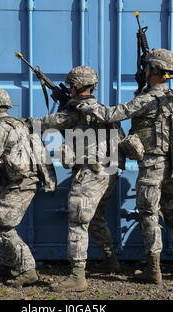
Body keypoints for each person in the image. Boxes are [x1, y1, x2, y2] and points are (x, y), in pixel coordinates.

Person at [77, 49, 173, 285]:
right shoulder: (171, 96)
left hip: (153, 165)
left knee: (148, 213)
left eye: (147, 67)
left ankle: (153, 269)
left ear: (155, 70)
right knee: (172, 210)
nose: (144, 70)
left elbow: (113, 114)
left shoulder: (147, 98)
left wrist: (87, 107)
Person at [29, 66, 125, 292]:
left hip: (91, 171)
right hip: (109, 171)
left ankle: (77, 277)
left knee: (78, 220)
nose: (69, 88)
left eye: (71, 85)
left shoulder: (76, 111)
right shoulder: (102, 109)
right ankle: (111, 261)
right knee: (96, 218)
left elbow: (46, 123)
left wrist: (23, 123)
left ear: (76, 86)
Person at [0, 87, 56, 288]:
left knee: (3, 225)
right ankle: (6, 263)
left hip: (22, 182)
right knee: (1, 221)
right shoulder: (19, 124)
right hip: (22, 180)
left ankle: (28, 270)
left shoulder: (0, 128)